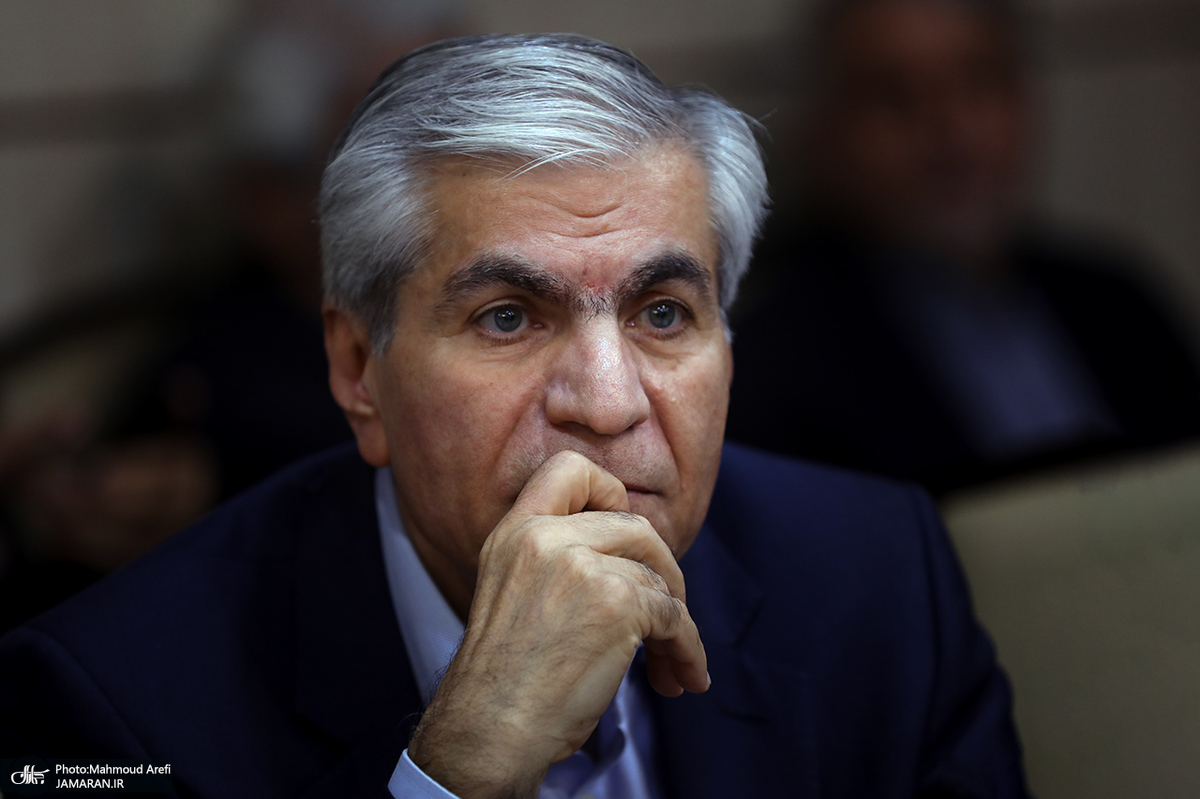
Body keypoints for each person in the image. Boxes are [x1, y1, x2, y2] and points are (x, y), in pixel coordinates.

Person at [0, 34, 1028, 798]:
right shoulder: (111, 705)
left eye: (664, 312)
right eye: (507, 317)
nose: (610, 403)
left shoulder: (882, 578)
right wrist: (457, 769)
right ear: (359, 370)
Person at [728, 0, 1200, 493]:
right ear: (825, 134)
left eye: (978, 82)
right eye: (895, 95)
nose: (950, 130)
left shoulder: (1121, 304)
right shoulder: (777, 367)